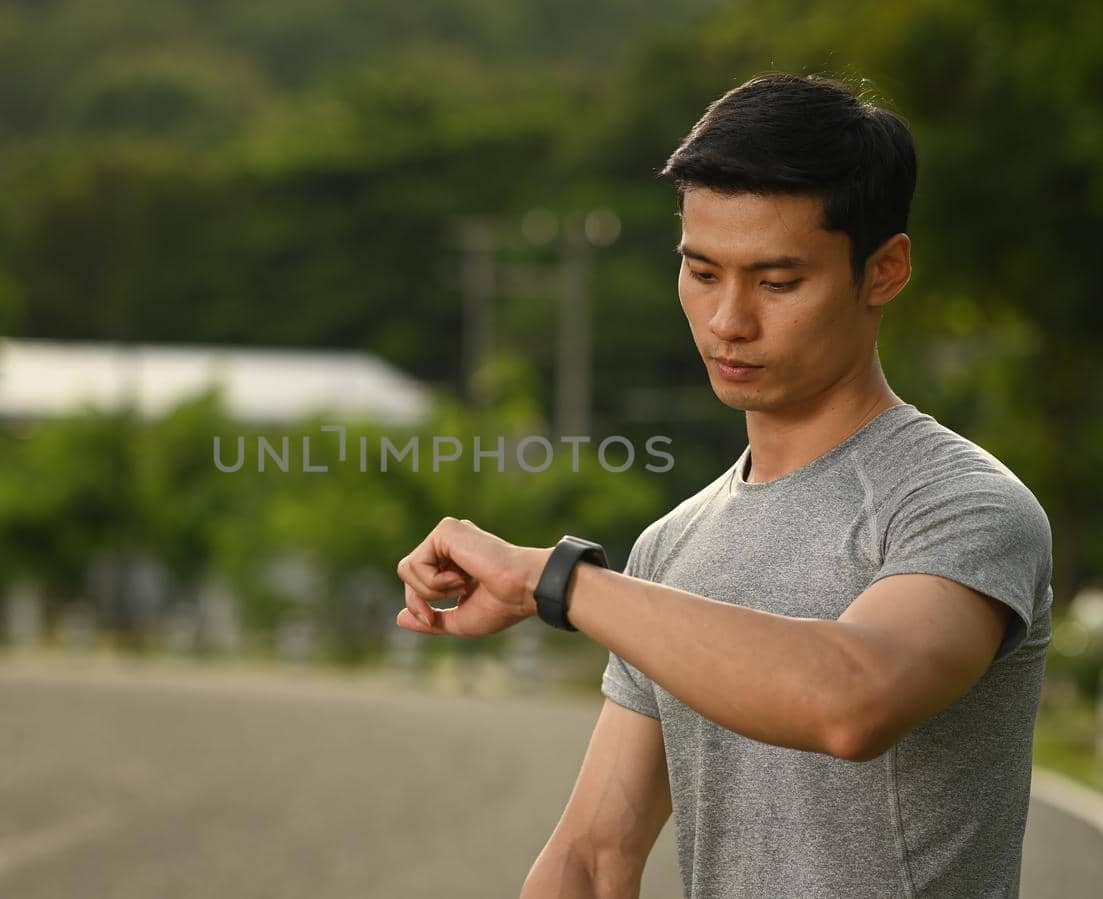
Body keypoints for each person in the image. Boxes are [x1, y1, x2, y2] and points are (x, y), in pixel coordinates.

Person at [393, 72, 1053, 898]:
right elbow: (594, 856)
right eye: (702, 273)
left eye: (778, 282)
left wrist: (552, 580)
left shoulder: (962, 504)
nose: (728, 320)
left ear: (884, 271)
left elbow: (852, 699)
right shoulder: (673, 547)